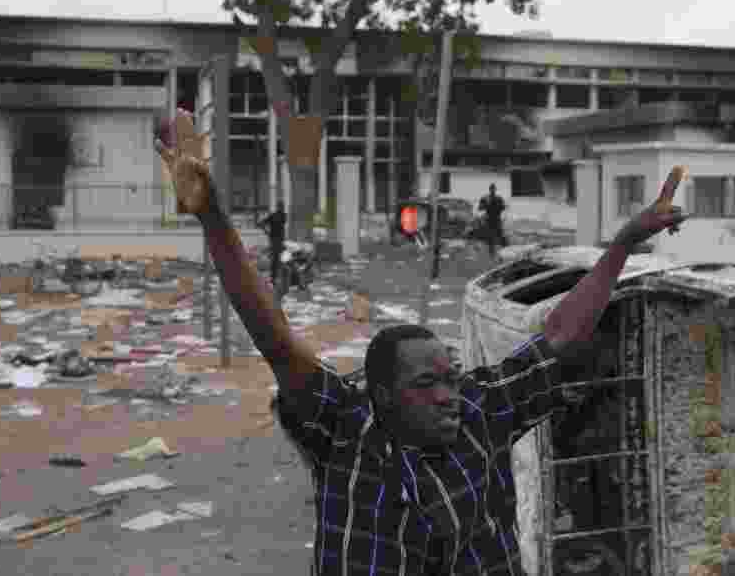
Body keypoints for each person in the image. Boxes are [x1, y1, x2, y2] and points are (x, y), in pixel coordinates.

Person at [154, 110, 687, 576]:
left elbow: (558, 336)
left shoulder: (480, 413)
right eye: (426, 383)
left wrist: (622, 244)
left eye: (449, 378)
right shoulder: (347, 432)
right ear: (381, 396)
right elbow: (274, 337)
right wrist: (212, 215)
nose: (447, 395)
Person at [259, 200, 287, 287]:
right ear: (280, 207)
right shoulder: (282, 215)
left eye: (282, 206)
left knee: (276, 259)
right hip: (277, 240)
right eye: (281, 206)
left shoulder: (276, 215)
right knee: (276, 259)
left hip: (276, 240)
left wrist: (267, 232)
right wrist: (267, 232)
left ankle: (274, 278)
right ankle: (273, 278)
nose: (282, 208)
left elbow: (261, 223)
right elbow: (261, 223)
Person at [478, 184, 507, 260]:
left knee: (501, 237)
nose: (493, 190)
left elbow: (504, 207)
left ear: (495, 190)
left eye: (494, 189)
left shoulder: (499, 198)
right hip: (489, 220)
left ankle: (504, 254)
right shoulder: (485, 198)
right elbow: (480, 208)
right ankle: (492, 256)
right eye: (492, 189)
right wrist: (486, 205)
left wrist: (499, 207)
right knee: (490, 239)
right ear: (490, 189)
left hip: (497, 219)